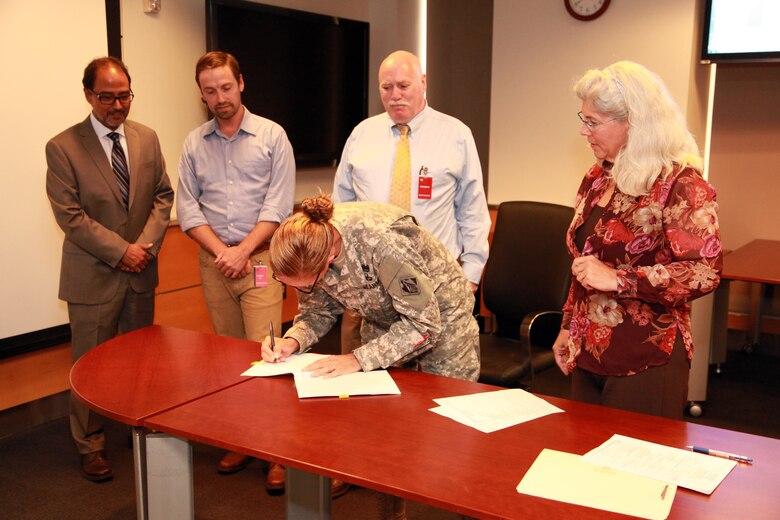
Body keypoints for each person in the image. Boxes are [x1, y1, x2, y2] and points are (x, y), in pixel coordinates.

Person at [263, 195, 480, 520]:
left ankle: (462, 511)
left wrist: (357, 359)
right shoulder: (304, 250)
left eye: (306, 284)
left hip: (443, 320)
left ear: (326, 261)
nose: (304, 290)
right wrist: (293, 340)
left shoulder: (383, 240)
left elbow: (425, 324)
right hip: (382, 321)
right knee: (386, 434)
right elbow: (317, 311)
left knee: (453, 431)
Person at [177, 51, 331, 497]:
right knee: (228, 358)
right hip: (214, 262)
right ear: (201, 93)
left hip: (262, 262)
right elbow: (188, 208)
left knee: (267, 353)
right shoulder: (193, 143)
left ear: (241, 83)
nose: (219, 98)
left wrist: (243, 251)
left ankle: (277, 451)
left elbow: (279, 205)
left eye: (226, 87)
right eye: (209, 90)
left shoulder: (271, 136)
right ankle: (242, 440)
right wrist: (223, 252)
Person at [552, 61, 723, 420]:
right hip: (588, 351)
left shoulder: (680, 184)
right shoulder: (597, 176)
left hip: (647, 357)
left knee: (635, 471)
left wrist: (620, 279)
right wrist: (568, 325)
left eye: (593, 122)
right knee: (583, 466)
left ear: (635, 123)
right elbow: (584, 262)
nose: (584, 131)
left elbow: (703, 272)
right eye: (582, 119)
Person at [46, 57, 174, 481]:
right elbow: (70, 216)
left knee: (140, 361)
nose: (118, 105)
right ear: (88, 95)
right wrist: (123, 251)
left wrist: (145, 248)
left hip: (141, 273)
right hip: (94, 277)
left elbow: (162, 195)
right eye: (107, 97)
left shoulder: (147, 138)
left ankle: (136, 424)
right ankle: (91, 445)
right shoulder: (62, 147)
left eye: (124, 96)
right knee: (90, 364)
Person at [332, 49, 490, 354]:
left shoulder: (455, 134)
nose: (394, 96)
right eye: (386, 88)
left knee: (438, 383)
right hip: (370, 286)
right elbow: (341, 209)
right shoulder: (361, 135)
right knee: (370, 383)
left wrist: (470, 276)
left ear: (423, 82)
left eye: (403, 86)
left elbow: (472, 210)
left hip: (436, 280)